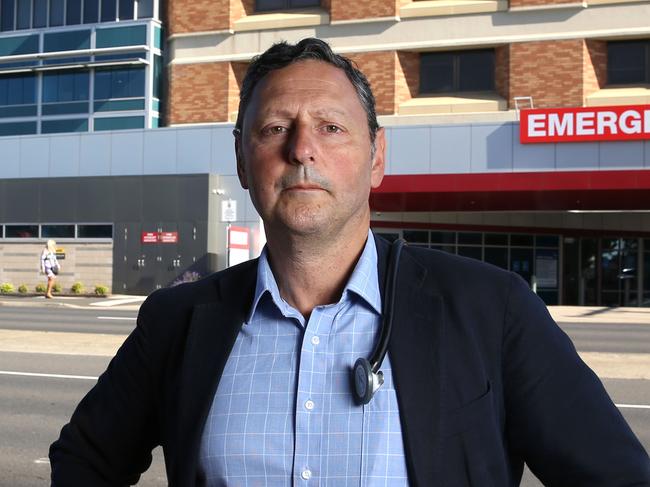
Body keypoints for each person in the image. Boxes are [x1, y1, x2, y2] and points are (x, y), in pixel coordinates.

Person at [50, 38, 649, 486]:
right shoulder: (177, 322)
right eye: (275, 127)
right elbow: (84, 462)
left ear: (377, 158)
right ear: (242, 159)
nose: (302, 148)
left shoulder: (492, 310)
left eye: (331, 127)